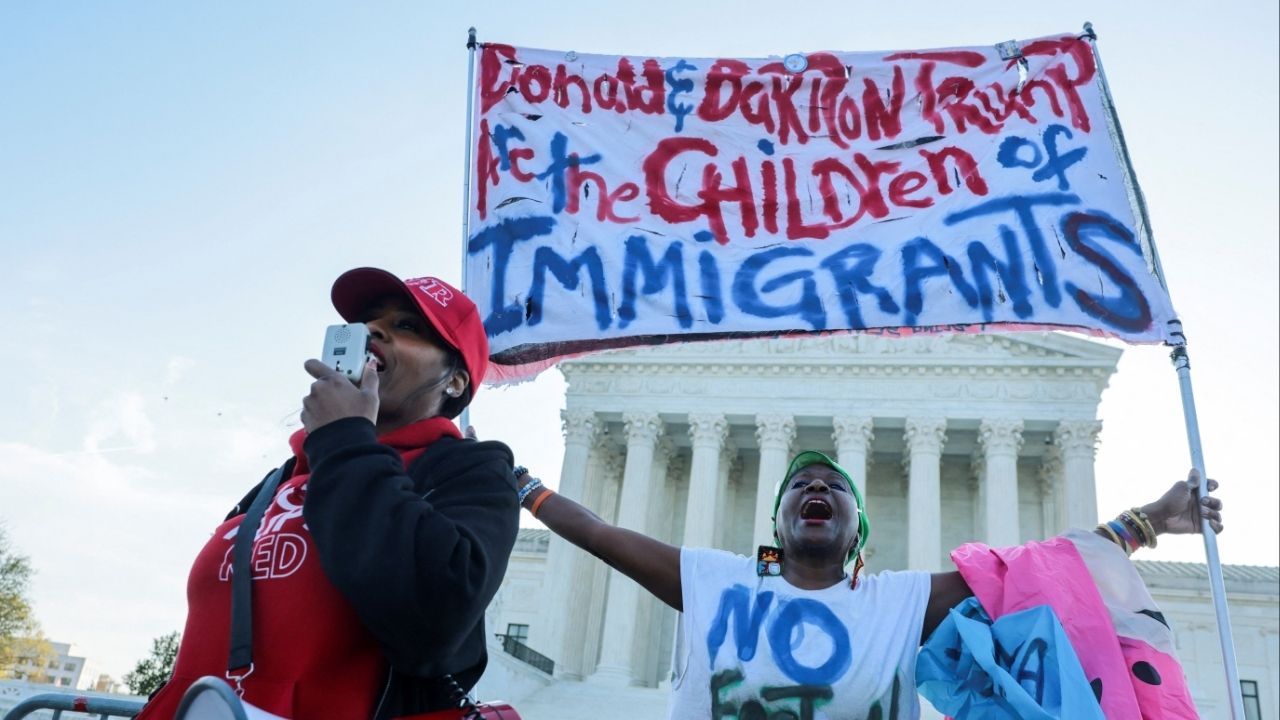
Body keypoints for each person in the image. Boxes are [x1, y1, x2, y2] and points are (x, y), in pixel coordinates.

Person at [515, 449, 1223, 719]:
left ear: (858, 532)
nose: (816, 488)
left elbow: (1035, 573)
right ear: (779, 521)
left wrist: (1151, 519)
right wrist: (522, 486)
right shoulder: (719, 580)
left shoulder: (894, 600)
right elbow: (599, 535)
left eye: (833, 487)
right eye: (801, 486)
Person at [138, 269, 520, 720]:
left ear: (455, 381)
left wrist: (345, 438)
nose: (374, 330)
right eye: (368, 321)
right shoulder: (278, 480)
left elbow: (433, 615)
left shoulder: (471, 471)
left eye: (407, 326)